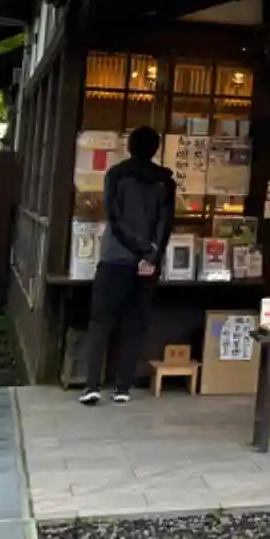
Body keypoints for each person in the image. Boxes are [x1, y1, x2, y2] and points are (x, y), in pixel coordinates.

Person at [78, 126, 175, 405]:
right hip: (147, 264)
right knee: (135, 322)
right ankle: (123, 387)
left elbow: (114, 216)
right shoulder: (164, 180)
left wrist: (137, 247)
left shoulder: (116, 174)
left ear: (130, 147)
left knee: (101, 321)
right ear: (155, 149)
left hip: (115, 257)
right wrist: (151, 254)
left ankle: (92, 386)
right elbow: (165, 223)